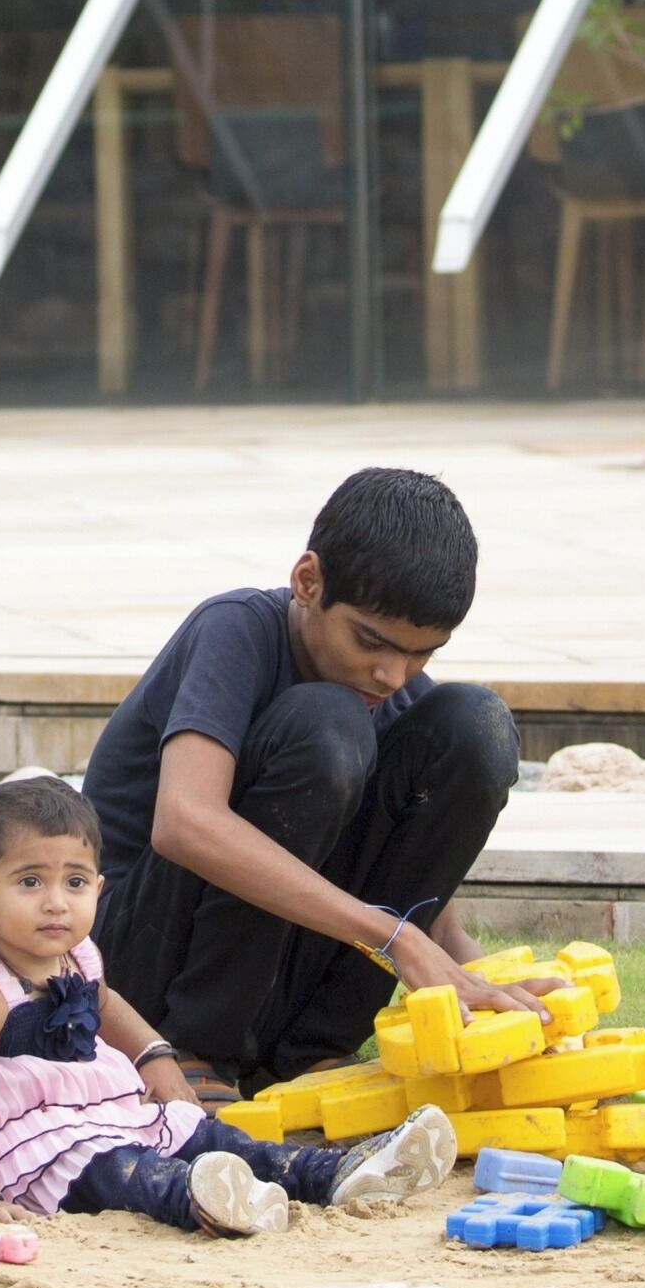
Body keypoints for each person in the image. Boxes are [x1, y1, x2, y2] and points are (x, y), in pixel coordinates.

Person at [82, 466, 530, 1099]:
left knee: (472, 726)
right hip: (136, 970)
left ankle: (310, 1054)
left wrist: (494, 989)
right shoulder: (235, 631)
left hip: (269, 979)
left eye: (421, 653)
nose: (392, 673)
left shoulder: (392, 693)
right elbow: (183, 822)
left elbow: (428, 913)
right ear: (308, 581)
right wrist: (389, 937)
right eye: (371, 641)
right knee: (328, 724)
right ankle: (194, 1049)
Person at [0, 772, 456, 1238]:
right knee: (122, 1173)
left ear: (98, 889)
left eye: (74, 883)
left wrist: (154, 1055)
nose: (56, 903)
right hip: (25, 1147)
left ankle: (334, 1173)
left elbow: (106, 1004)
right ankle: (202, 1199)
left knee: (201, 1131)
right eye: (30, 882)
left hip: (89, 1113)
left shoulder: (76, 955)